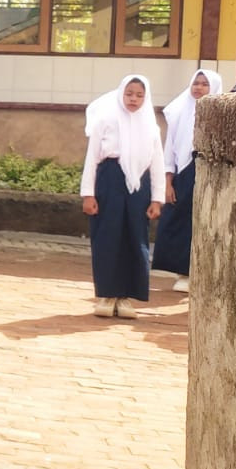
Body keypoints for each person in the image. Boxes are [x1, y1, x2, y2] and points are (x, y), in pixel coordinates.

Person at [81, 74, 166, 318]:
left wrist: (157, 198)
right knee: (107, 236)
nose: (133, 99)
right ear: (121, 94)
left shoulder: (151, 126)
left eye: (139, 95)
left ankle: (127, 297)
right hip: (110, 179)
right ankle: (107, 295)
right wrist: (88, 194)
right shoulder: (105, 121)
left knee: (135, 238)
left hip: (139, 185)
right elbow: (92, 159)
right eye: (129, 94)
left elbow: (157, 163)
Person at [151, 70, 223, 292]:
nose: (199, 88)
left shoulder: (221, 115)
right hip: (184, 173)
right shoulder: (178, 112)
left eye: (205, 84)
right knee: (179, 221)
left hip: (209, 173)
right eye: (196, 83)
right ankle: (183, 272)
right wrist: (168, 182)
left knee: (204, 222)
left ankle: (201, 273)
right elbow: (170, 149)